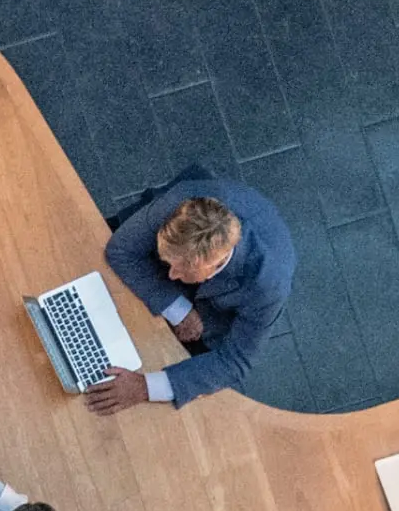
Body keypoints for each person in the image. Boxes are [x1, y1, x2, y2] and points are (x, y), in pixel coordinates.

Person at [88, 167, 296, 414]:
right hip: (153, 261)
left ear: (213, 263)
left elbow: (236, 360)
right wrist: (178, 309)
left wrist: (145, 387)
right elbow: (122, 249)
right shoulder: (182, 206)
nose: (171, 275)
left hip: (212, 320)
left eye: (182, 269)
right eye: (170, 264)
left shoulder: (267, 285)